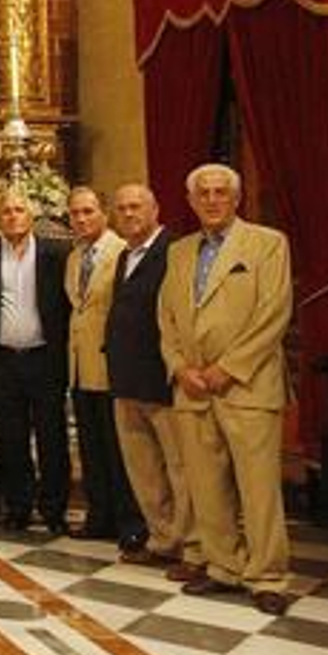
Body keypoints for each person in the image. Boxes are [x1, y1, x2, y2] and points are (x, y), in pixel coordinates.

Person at [158, 164, 293, 615]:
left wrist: (228, 368)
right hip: (193, 387)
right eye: (204, 194)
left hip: (247, 386)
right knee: (206, 486)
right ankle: (223, 568)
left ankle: (267, 575)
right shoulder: (179, 252)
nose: (212, 200)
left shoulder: (267, 244)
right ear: (192, 201)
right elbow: (167, 318)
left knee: (258, 489)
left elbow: (274, 313)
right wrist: (180, 367)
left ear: (236, 200)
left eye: (220, 193)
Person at [106, 183, 200, 575]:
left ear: (156, 209)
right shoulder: (126, 255)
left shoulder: (175, 252)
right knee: (144, 470)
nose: (128, 214)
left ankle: (193, 546)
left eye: (136, 207)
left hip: (162, 379)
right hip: (126, 379)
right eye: (122, 208)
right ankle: (163, 539)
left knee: (181, 468)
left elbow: (179, 316)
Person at [0, 188, 72, 533]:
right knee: (10, 436)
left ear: (31, 216)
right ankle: (17, 505)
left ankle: (53, 509)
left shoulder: (56, 252)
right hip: (3, 358)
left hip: (45, 357)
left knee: (52, 435)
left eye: (19, 210)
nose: (13, 216)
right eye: (6, 211)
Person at [64, 186, 142, 546]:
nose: (81, 219)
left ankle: (129, 520)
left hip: (112, 363)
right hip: (81, 365)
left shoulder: (120, 253)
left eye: (88, 212)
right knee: (91, 446)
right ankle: (100, 515)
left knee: (118, 447)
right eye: (75, 214)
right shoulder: (75, 256)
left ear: (104, 214)